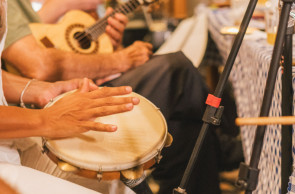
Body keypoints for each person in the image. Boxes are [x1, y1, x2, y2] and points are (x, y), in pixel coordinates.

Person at [2, 0, 223, 193]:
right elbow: (40, 64)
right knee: (176, 72)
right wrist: (46, 120)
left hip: (17, 136)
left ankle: (218, 145)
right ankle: (223, 144)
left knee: (181, 110)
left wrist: (37, 89)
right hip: (20, 135)